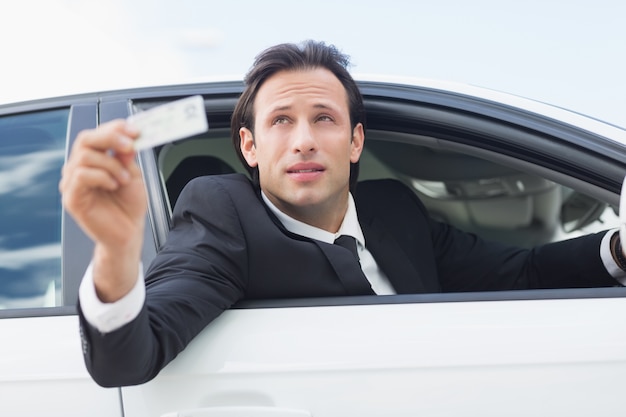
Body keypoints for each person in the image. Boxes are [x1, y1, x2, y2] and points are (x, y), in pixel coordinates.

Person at [59, 40, 626, 387]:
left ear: (355, 142)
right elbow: (127, 359)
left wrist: (619, 250)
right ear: (250, 149)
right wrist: (114, 251)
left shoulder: (393, 209)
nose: (304, 140)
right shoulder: (224, 216)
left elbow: (522, 273)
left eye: (324, 119)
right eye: (280, 120)